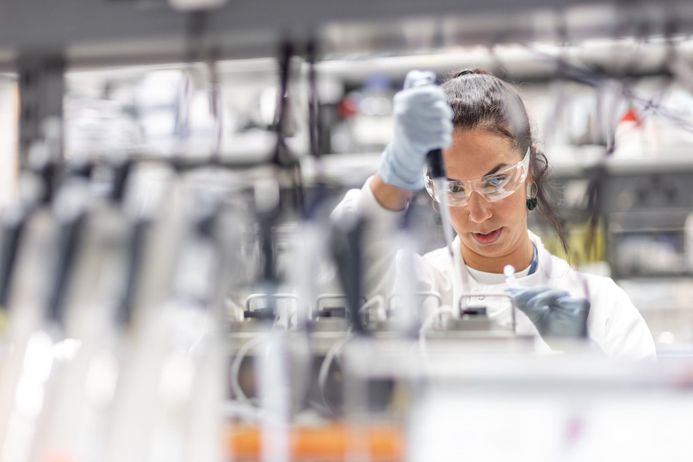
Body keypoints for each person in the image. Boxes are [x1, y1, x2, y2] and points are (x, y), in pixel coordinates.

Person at [331, 69, 656, 360]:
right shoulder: (418, 288)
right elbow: (337, 260)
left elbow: (649, 419)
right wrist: (396, 174)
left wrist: (586, 358)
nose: (477, 213)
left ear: (530, 172)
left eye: (496, 181)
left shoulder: (601, 306)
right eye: (454, 189)